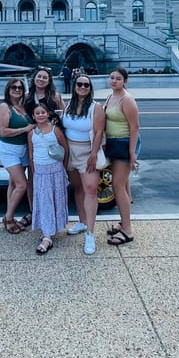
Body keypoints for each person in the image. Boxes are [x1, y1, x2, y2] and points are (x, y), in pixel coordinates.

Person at [61, 74, 105, 255]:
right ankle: (82, 221)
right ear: (74, 86)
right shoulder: (68, 105)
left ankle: (90, 233)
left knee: (90, 189)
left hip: (87, 151)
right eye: (79, 84)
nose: (82, 87)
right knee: (77, 188)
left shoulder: (96, 107)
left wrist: (93, 154)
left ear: (90, 88)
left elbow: (99, 131)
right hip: (70, 151)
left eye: (86, 85)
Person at [103, 67, 139, 246]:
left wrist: (132, 153)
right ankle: (123, 222)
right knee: (123, 184)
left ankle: (127, 230)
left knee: (117, 185)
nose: (114, 81)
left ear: (125, 81)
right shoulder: (111, 96)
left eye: (118, 78)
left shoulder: (127, 99)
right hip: (112, 143)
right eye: (112, 78)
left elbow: (135, 126)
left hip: (124, 143)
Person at [27, 102, 70, 255]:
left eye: (43, 112)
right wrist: (34, 171)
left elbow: (65, 148)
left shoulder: (55, 130)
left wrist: (63, 167)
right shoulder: (31, 133)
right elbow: (31, 154)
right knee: (44, 202)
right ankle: (47, 236)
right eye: (37, 113)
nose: (40, 115)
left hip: (55, 170)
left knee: (55, 200)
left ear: (48, 114)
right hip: (40, 172)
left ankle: (49, 230)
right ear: (33, 116)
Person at [0, 77, 34, 234]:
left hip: (23, 150)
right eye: (14, 87)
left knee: (13, 183)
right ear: (8, 90)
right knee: (22, 185)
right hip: (9, 150)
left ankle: (8, 215)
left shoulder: (21, 106)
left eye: (19, 87)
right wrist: (24, 130)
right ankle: (9, 217)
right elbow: (3, 131)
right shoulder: (4, 107)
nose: (17, 89)